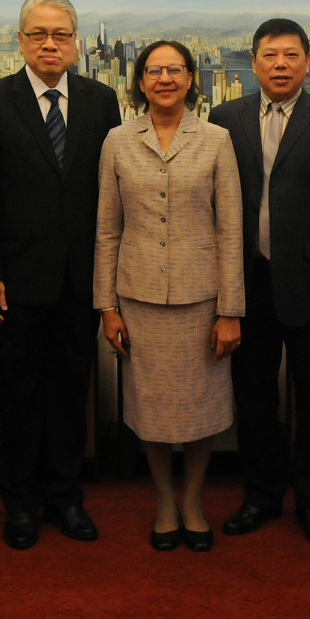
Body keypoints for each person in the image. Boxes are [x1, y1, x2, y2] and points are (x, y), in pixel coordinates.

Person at [0, 0, 122, 549]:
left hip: (81, 279)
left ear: (76, 43)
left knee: (70, 392)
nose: (49, 44)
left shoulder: (102, 101)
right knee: (19, 394)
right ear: (20, 41)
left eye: (60, 34)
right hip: (17, 280)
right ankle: (20, 504)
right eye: (38, 34)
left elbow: (112, 192)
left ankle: (65, 497)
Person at [209, 18, 310, 546]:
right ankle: (261, 494)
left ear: (307, 62)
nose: (281, 64)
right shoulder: (224, 118)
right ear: (253, 62)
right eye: (270, 55)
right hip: (246, 283)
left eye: (291, 55)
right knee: (253, 397)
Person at [94, 41, 244, 551]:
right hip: (138, 299)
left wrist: (230, 310)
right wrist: (106, 306)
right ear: (140, 81)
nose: (164, 78)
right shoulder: (117, 140)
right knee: (151, 410)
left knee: (201, 408)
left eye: (174, 70)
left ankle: (194, 502)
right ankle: (164, 503)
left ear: (189, 79)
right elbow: (107, 230)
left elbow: (230, 230)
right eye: (154, 70)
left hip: (202, 299)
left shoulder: (217, 139)